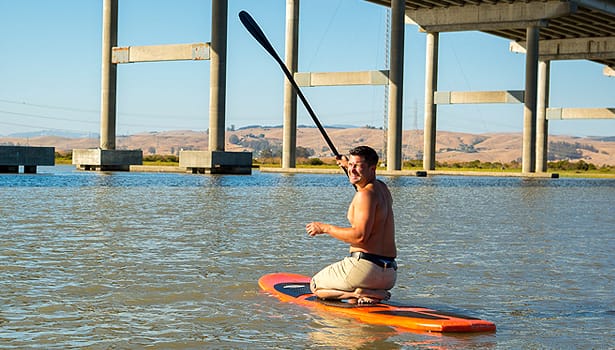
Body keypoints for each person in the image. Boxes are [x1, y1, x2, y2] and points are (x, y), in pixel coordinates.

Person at [305, 145, 397, 305]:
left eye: (358, 166)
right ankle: (370, 292)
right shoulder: (382, 188)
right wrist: (348, 164)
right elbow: (363, 183)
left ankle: (358, 292)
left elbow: (360, 236)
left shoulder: (365, 195)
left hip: (365, 271)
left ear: (372, 168)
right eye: (351, 165)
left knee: (315, 285)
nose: (352, 170)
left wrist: (325, 228)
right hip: (388, 274)